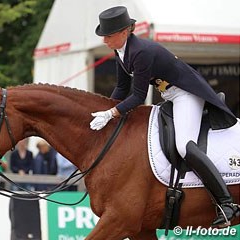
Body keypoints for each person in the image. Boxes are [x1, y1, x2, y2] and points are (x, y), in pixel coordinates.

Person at [90, 6, 239, 227]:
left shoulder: (140, 52)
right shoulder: (121, 50)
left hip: (186, 93)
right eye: (103, 36)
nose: (104, 41)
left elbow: (139, 96)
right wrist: (104, 109)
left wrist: (112, 113)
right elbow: (122, 88)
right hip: (169, 95)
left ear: (124, 32)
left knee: (183, 145)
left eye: (108, 36)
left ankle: (226, 203)